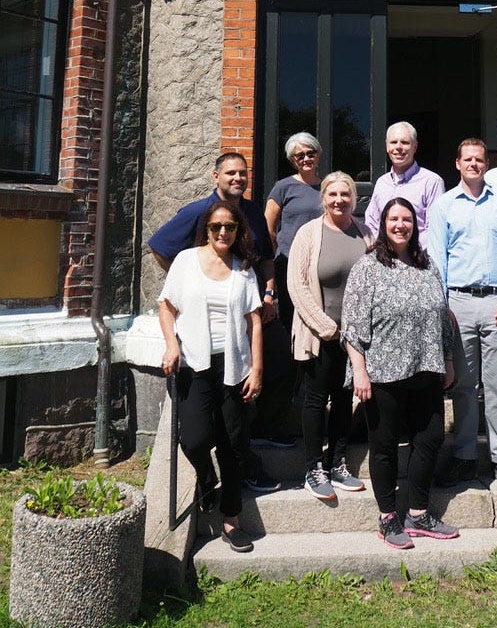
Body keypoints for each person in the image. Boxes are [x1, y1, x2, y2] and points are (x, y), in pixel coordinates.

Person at [148, 151, 292, 489]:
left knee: (284, 364)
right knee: (216, 405)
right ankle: (237, 459)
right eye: (230, 173)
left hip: (252, 309)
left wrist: (269, 294)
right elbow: (159, 245)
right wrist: (189, 285)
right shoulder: (200, 212)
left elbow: (267, 259)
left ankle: (263, 430)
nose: (237, 179)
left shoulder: (254, 212)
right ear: (216, 177)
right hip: (211, 326)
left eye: (242, 173)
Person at [343, 197, 458, 549]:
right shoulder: (368, 267)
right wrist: (359, 371)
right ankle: (388, 518)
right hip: (383, 373)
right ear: (384, 224)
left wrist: (449, 359)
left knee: (430, 437)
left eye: (406, 219)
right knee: (385, 447)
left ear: (414, 225)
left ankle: (419, 513)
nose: (400, 225)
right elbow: (351, 324)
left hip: (426, 367)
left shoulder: (428, 266)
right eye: (394, 219)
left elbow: (443, 316)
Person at [158, 199, 262, 553]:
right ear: (207, 228)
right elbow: (167, 306)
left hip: (234, 365)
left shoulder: (244, 268)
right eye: (216, 227)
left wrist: (258, 369)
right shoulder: (186, 261)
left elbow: (255, 321)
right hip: (194, 363)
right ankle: (206, 477)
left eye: (229, 228)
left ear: (237, 231)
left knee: (233, 445)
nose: (222, 233)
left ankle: (232, 520)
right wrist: (171, 345)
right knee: (194, 440)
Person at [428, 139, 497, 490]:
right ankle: (465, 455)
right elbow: (437, 259)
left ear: (488, 164)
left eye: (480, 160)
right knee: (464, 386)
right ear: (457, 164)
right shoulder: (443, 206)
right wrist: (443, 307)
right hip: (458, 302)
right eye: (467, 159)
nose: (474, 164)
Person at [287, 171, 371, 500]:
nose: (339, 200)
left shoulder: (365, 234)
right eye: (332, 194)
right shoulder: (309, 234)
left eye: (345, 194)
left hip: (352, 338)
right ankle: (314, 468)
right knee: (315, 399)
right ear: (323, 198)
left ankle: (337, 464)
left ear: (354, 198)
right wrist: (325, 327)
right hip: (319, 334)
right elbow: (296, 285)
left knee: (343, 401)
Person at [264, 132, 323, 333]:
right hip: (289, 262)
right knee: (291, 319)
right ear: (292, 160)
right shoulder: (283, 187)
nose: (306, 158)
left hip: (319, 261)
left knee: (319, 315)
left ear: (318, 155)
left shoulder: (327, 187)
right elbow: (269, 230)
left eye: (310, 153)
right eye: (300, 155)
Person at [365, 121, 445, 240]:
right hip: (382, 256)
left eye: (405, 142)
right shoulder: (382, 183)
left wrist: (407, 252)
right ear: (387, 147)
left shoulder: (432, 182)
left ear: (415, 147)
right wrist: (382, 249)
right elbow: (372, 223)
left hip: (417, 256)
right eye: (393, 142)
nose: (398, 147)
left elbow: (434, 229)